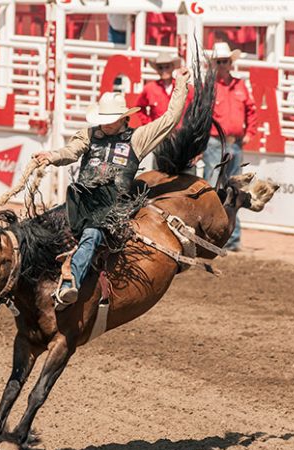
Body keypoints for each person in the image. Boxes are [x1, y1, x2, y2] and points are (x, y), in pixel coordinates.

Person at [33, 67, 190, 309]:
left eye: (109, 121)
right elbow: (70, 152)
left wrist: (180, 85)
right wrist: (52, 156)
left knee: (92, 234)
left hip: (112, 206)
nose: (104, 125)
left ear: (122, 118)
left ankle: (69, 282)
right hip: (83, 201)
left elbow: (170, 119)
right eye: (102, 121)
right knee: (43, 224)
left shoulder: (137, 138)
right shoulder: (88, 135)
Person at [202, 42, 257, 252]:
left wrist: (250, 133)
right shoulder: (210, 87)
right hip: (216, 142)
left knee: (234, 190)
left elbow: (251, 110)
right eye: (220, 62)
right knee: (215, 189)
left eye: (225, 61)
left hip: (234, 143)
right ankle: (210, 234)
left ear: (230, 63)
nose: (223, 65)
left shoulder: (240, 85)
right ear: (214, 64)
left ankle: (231, 238)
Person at [136, 51, 195, 172]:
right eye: (160, 67)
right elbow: (139, 108)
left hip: (182, 138)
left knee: (186, 175)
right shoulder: (150, 89)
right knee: (159, 176)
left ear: (173, 67)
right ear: (157, 69)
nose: (164, 69)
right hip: (160, 138)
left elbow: (196, 111)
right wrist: (150, 125)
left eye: (167, 66)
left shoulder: (187, 88)